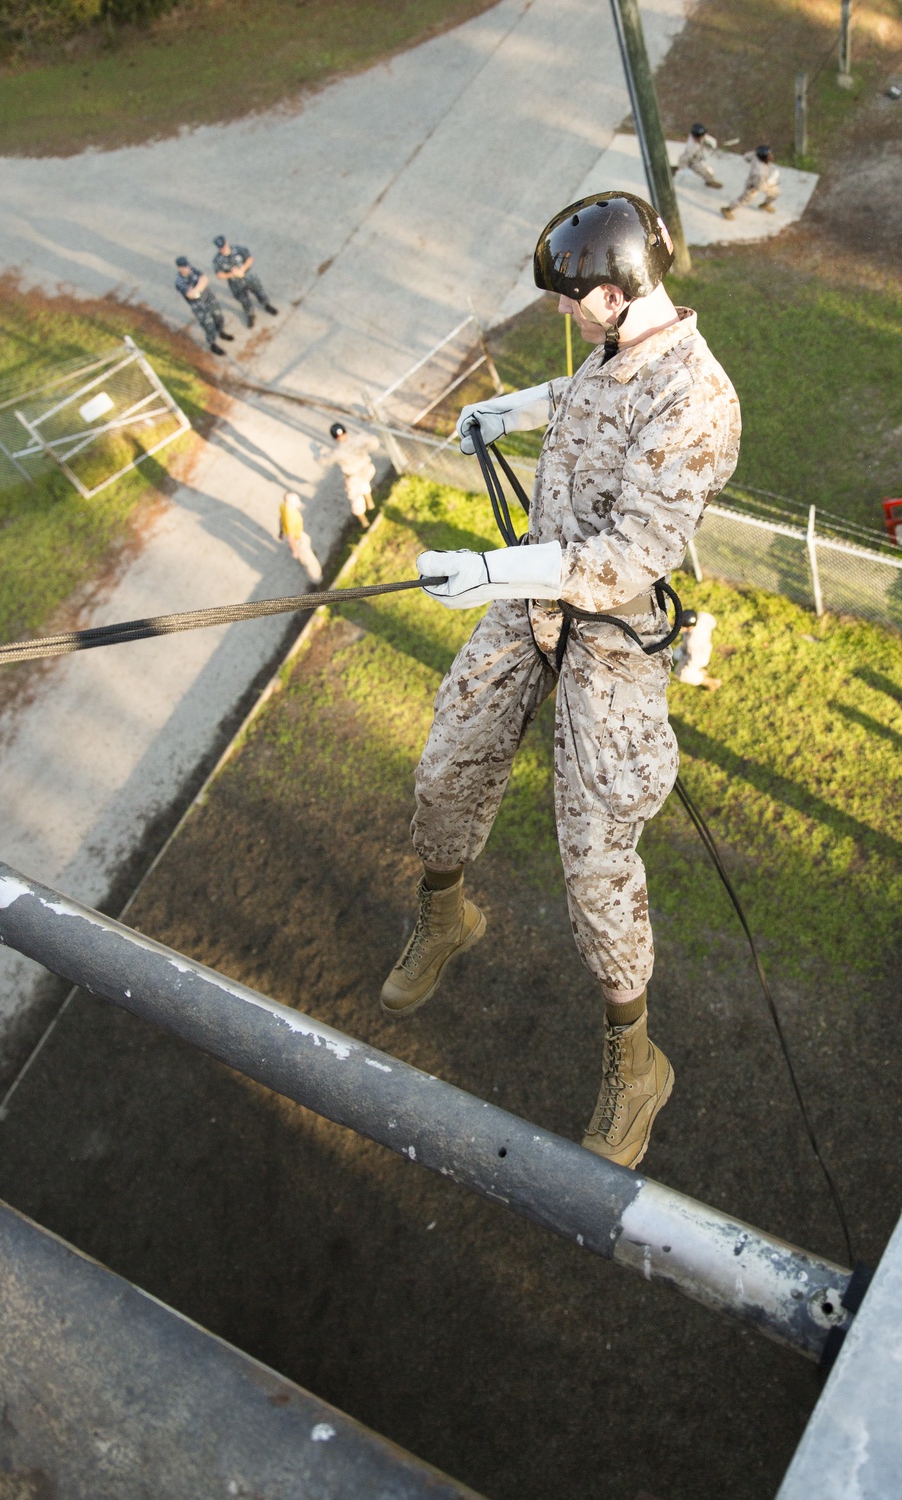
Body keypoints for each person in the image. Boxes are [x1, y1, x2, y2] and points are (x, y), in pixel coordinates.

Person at [380, 191, 741, 1169]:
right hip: (533, 590)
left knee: (594, 860)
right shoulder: (616, 349)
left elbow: (627, 558)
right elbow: (586, 397)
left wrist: (490, 570)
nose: (563, 315)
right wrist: (511, 408)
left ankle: (635, 1059)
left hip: (611, 631)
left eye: (571, 298)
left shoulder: (698, 401)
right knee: (447, 761)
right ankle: (445, 911)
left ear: (621, 291)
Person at [212, 236, 278, 328]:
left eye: (224, 245)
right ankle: (250, 314)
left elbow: (250, 259)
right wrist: (232, 274)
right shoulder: (217, 260)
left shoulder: (238, 249)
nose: (224, 248)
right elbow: (219, 275)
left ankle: (267, 305)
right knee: (244, 300)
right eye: (221, 247)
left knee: (259, 291)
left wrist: (242, 270)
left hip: (249, 276)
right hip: (235, 283)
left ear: (226, 242)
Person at [175, 257, 233, 355]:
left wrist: (197, 289)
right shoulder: (179, 281)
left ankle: (221, 331)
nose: (187, 268)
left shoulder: (193, 270)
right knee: (208, 326)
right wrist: (200, 286)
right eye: (184, 267)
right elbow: (190, 294)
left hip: (209, 299)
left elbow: (205, 279)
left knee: (218, 317)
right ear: (179, 268)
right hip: (199, 307)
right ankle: (212, 343)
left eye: (187, 266)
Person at [327, 422, 377, 528]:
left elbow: (326, 460)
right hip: (367, 470)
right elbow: (373, 442)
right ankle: (370, 503)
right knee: (364, 485)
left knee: (355, 499)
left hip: (354, 477)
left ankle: (364, 521)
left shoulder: (338, 451)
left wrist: (317, 454)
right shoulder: (358, 439)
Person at [722, 146, 780, 219]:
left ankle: (765, 204)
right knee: (743, 200)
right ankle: (728, 210)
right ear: (763, 157)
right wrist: (771, 182)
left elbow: (746, 157)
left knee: (775, 193)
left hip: (762, 181)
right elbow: (760, 186)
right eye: (769, 155)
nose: (772, 156)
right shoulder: (759, 171)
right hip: (753, 185)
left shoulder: (756, 156)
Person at [279, 491, 322, 584]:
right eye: (296, 501)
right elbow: (291, 537)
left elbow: (281, 519)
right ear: (289, 503)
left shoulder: (283, 506)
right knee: (310, 560)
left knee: (306, 544)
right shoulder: (291, 518)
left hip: (299, 534)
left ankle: (303, 558)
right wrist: (295, 551)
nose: (299, 501)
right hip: (297, 539)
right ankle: (317, 578)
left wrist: (281, 531)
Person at [673, 608, 720, 688]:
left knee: (681, 675)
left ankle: (710, 682)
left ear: (689, 627)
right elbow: (712, 621)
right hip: (702, 648)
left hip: (699, 657)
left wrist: (685, 668)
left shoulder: (692, 641)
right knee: (677, 653)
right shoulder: (702, 616)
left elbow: (694, 660)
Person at [673, 123, 723, 189]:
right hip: (693, 162)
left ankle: (676, 168)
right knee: (708, 171)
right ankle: (709, 182)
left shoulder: (698, 137)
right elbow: (684, 158)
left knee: (707, 170)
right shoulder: (692, 147)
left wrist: (712, 144)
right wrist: (683, 168)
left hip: (697, 157)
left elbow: (707, 139)